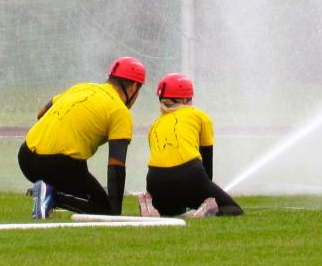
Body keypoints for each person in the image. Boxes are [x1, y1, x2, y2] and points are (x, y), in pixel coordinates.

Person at [18, 56, 145, 218]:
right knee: (104, 208)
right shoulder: (120, 111)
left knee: (79, 162)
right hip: (55, 165)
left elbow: (41, 113)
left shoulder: (81, 87)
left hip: (25, 157)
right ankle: (52, 197)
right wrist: (114, 212)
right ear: (134, 87)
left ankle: (46, 188)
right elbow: (116, 167)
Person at [139, 73, 243, 218]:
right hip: (189, 175)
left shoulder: (154, 125)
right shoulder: (199, 116)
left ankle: (150, 207)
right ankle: (206, 211)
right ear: (185, 99)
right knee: (233, 208)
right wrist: (207, 194)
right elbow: (206, 161)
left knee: (173, 212)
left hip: (155, 182)